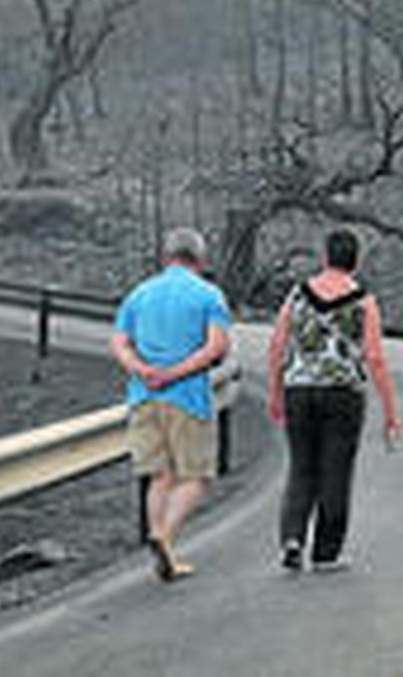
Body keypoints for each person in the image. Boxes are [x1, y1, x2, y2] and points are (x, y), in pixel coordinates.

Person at [266, 228, 402, 573]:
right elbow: (374, 357)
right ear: (355, 261)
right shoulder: (364, 300)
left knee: (301, 467)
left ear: (325, 257)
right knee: (336, 470)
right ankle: (326, 552)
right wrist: (390, 410)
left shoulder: (297, 294)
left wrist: (275, 391)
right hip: (343, 393)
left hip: (299, 389)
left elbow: (278, 345)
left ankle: (292, 538)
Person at [111, 227, 231, 582]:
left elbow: (119, 344)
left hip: (143, 395)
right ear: (201, 260)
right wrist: (175, 373)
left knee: (160, 476)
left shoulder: (139, 294)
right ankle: (164, 535)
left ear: (165, 257)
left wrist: (143, 370)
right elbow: (215, 348)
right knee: (196, 476)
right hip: (188, 398)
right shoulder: (209, 295)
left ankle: (163, 546)